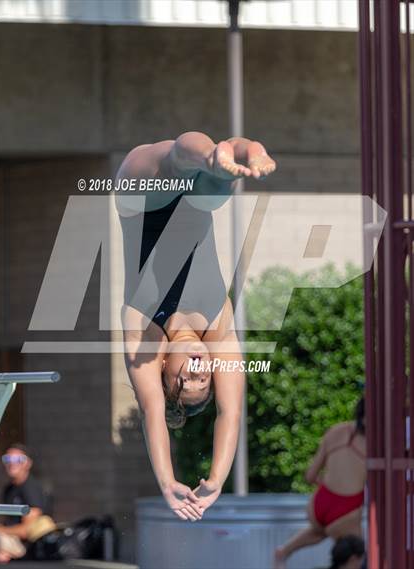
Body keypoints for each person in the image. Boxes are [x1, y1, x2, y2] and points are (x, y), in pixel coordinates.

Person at [115, 132, 276, 522]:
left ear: (163, 370)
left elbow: (154, 412)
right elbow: (230, 413)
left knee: (175, 163)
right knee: (214, 191)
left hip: (140, 202)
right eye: (203, 382)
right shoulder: (219, 332)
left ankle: (211, 156)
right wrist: (217, 479)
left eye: (184, 382)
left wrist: (168, 481)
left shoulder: (145, 332)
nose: (198, 373)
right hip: (194, 200)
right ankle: (242, 155)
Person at [274, 398, 366, 569]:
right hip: (346, 508)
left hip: (320, 501)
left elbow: (309, 476)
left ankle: (284, 551)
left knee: (320, 531)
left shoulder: (335, 431)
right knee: (357, 558)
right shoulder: (376, 442)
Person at [0, 443, 50, 563]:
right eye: (7, 458)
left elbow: (26, 531)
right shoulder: (9, 489)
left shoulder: (31, 489)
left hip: (27, 547)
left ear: (28, 463)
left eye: (18, 459)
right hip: (11, 540)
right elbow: (8, 521)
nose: (12, 463)